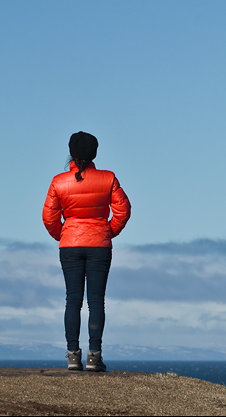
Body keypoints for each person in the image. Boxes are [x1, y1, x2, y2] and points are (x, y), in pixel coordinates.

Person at [43, 131, 131, 372]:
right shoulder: (108, 178)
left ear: (71, 153)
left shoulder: (59, 182)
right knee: (96, 301)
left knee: (72, 300)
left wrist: (63, 235)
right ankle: (94, 357)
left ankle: (73, 356)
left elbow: (49, 217)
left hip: (69, 245)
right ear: (94, 153)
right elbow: (123, 210)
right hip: (99, 246)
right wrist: (107, 231)